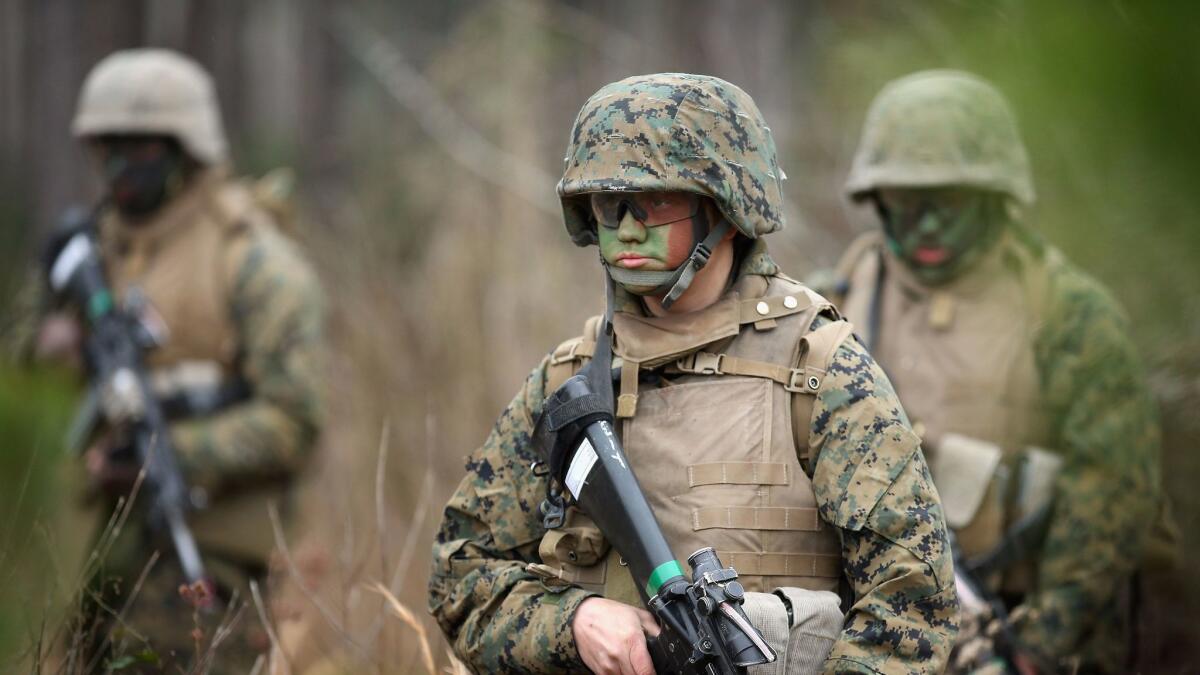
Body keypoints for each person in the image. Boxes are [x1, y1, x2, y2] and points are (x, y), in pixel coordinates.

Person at [429, 73, 958, 675]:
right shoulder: (571, 382)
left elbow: (914, 605)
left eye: (656, 202)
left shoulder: (819, 369)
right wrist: (571, 621)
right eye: (609, 204)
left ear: (726, 209)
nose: (628, 228)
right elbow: (460, 576)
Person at [829, 69, 1164, 673]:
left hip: (1026, 623)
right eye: (908, 203)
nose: (928, 224)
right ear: (877, 199)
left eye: (951, 203)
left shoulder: (1067, 313)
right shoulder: (836, 305)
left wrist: (1043, 643)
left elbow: (1114, 494)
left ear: (996, 198)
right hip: (883, 627)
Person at [29, 48, 325, 672]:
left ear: (185, 149)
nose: (116, 165)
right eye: (105, 145)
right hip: (88, 553)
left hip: (207, 558)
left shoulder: (253, 263)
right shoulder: (88, 250)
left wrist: (168, 455)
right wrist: (51, 347)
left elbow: (295, 423)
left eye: (138, 148)